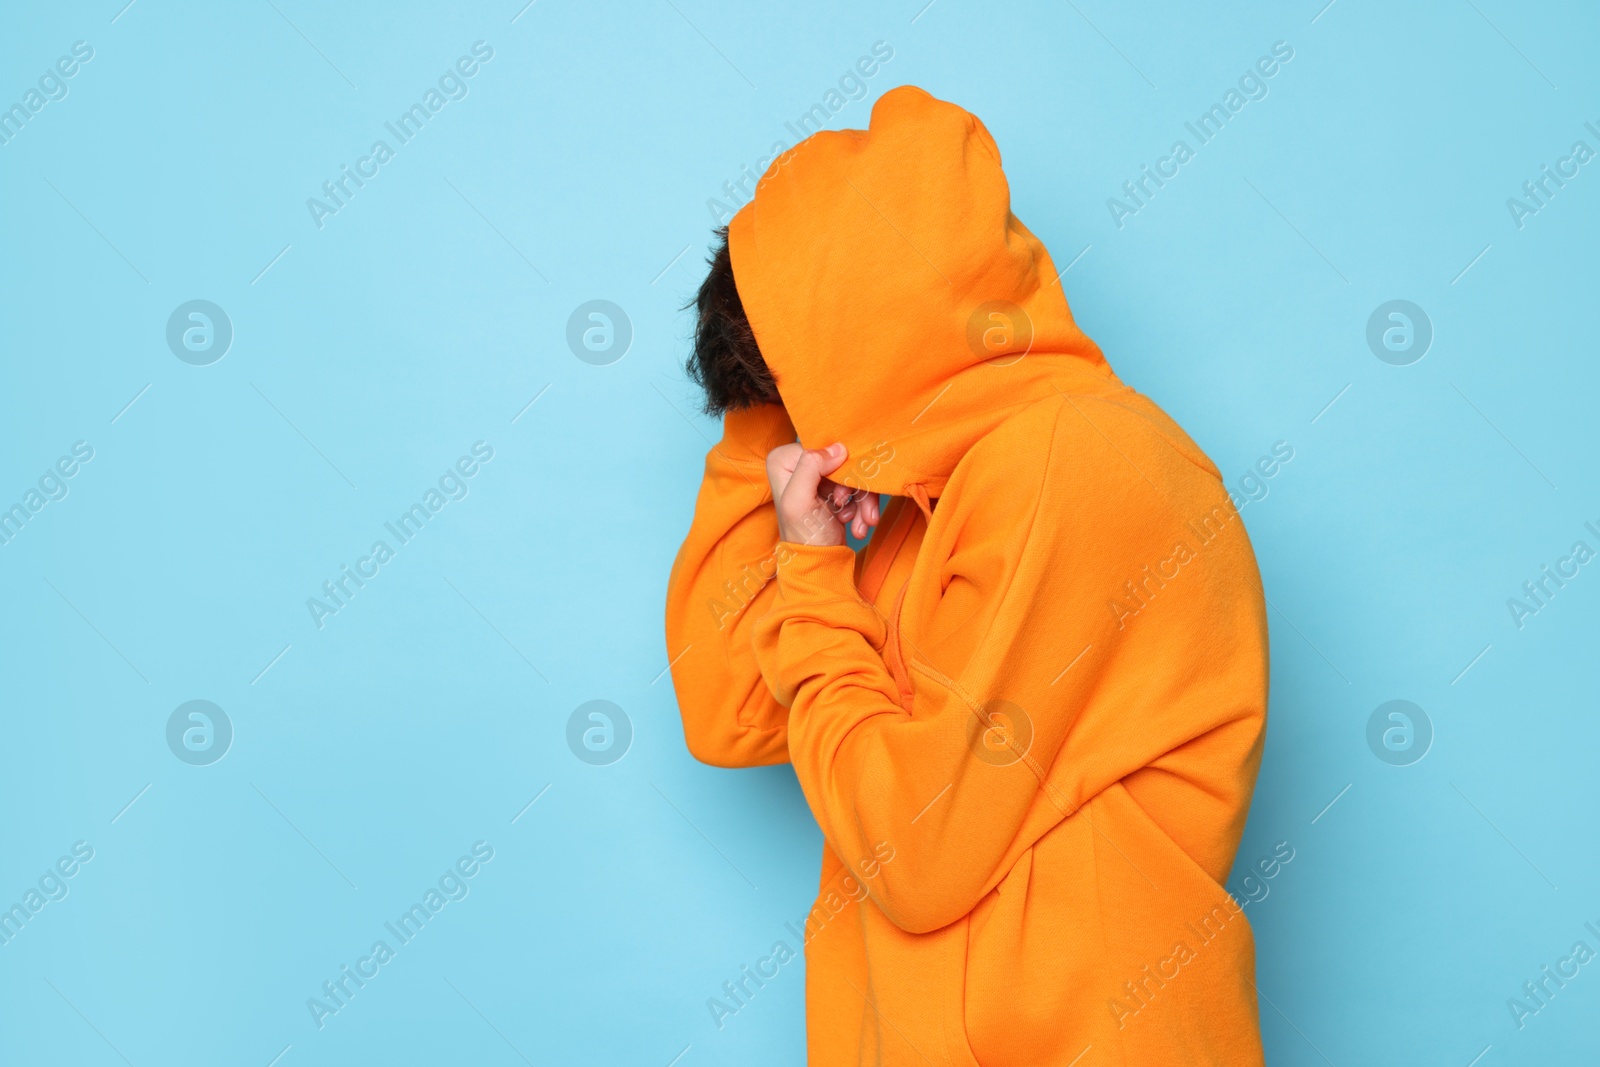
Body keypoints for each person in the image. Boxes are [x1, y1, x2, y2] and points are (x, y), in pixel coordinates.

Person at [665, 85, 1270, 1066]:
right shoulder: (922, 507)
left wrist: (817, 573)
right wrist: (765, 434)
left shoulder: (1074, 459)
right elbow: (727, 706)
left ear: (878, 324)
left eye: (796, 372)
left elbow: (918, 857)